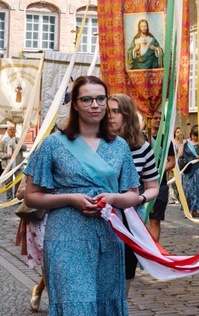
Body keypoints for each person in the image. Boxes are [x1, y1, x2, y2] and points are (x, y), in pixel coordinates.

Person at [23, 75, 140, 315]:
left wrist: (113, 199)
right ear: (74, 104)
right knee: (75, 304)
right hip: (66, 237)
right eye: (86, 99)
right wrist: (70, 199)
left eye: (100, 98)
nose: (95, 105)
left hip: (107, 237)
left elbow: (133, 195)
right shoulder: (53, 144)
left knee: (104, 304)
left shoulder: (119, 146)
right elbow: (31, 196)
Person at [108, 93, 160, 293]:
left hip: (129, 217)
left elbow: (153, 186)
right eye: (108, 112)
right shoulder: (97, 143)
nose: (110, 116)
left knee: (125, 271)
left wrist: (139, 198)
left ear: (127, 115)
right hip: (100, 214)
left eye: (116, 111)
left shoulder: (142, 148)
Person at [15, 175, 46, 311]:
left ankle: (38, 289)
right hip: (40, 218)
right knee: (49, 260)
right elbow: (19, 193)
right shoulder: (38, 160)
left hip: (67, 216)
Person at [148, 110, 176, 242]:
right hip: (141, 185)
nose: (158, 120)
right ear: (149, 120)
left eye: (160, 118)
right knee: (139, 221)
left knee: (155, 221)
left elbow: (172, 162)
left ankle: (153, 251)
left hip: (160, 184)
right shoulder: (141, 138)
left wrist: (157, 171)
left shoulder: (166, 140)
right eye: (155, 118)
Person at [181, 124, 199, 217]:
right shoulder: (186, 143)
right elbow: (180, 155)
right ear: (191, 134)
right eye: (194, 135)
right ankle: (187, 210)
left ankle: (195, 210)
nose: (195, 137)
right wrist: (181, 145)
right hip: (188, 169)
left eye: (197, 135)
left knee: (198, 190)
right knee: (188, 190)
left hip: (198, 170)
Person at [1, 123, 27, 199]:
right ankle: (9, 198)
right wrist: (8, 155)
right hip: (7, 165)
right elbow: (0, 153)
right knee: (8, 182)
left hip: (17, 165)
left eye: (13, 129)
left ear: (15, 131)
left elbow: (25, 148)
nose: (12, 131)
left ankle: (17, 197)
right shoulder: (3, 141)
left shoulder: (18, 139)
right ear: (7, 131)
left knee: (18, 182)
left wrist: (17, 143)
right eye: (10, 129)